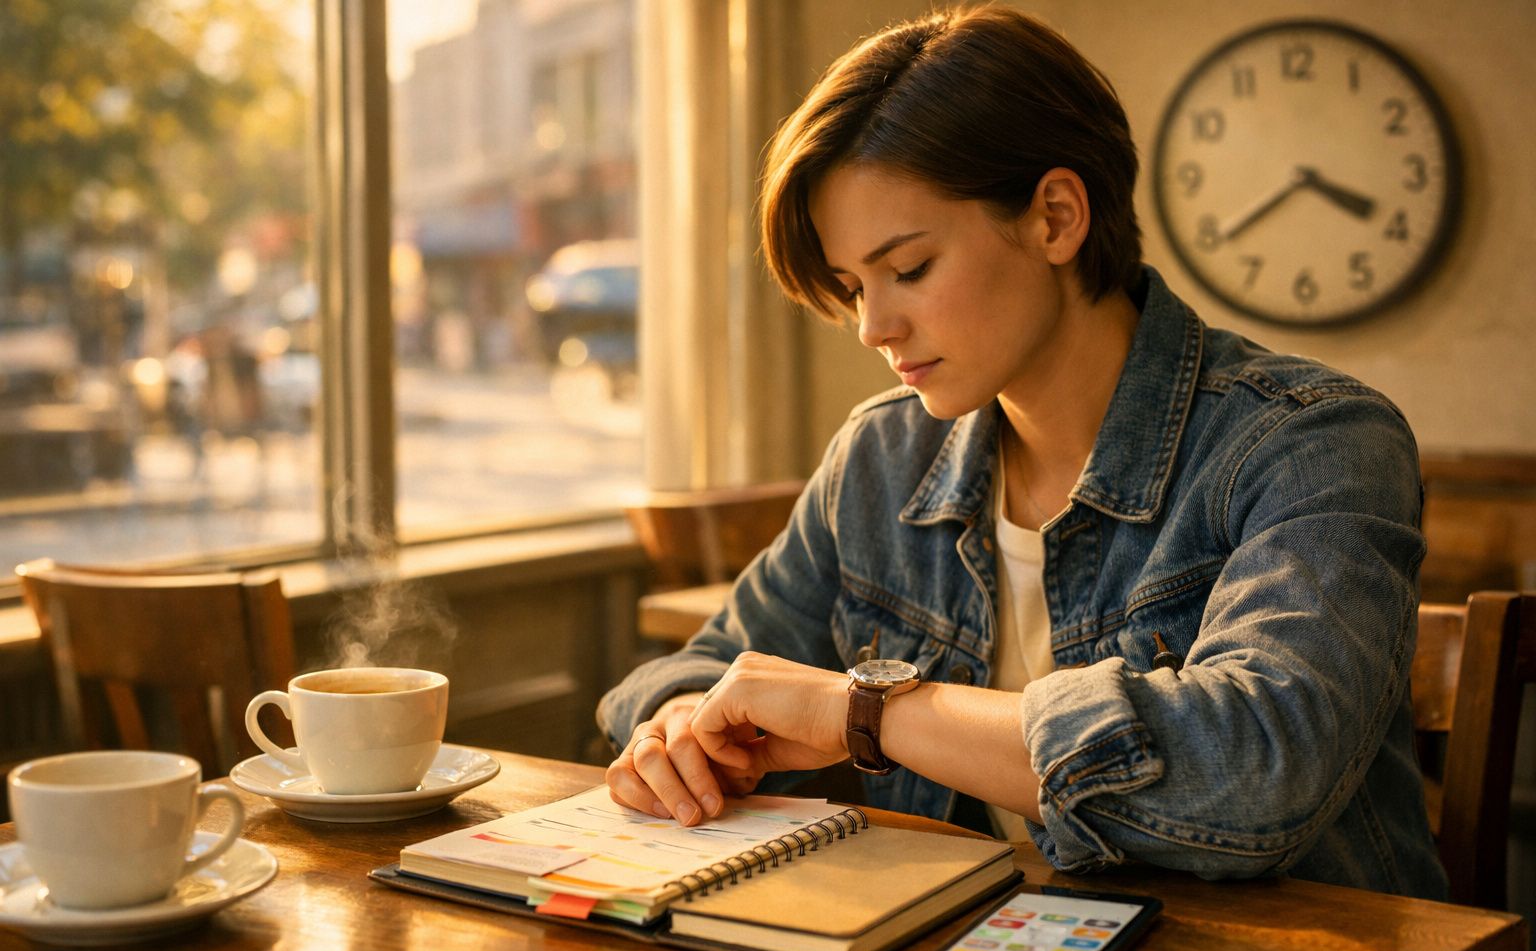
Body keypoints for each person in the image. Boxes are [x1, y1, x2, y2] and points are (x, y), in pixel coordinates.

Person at [598, 6, 1446, 898]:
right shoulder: (883, 459)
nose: (872, 327)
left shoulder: (1312, 441)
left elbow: (1258, 772)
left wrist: (867, 713)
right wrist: (680, 728)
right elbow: (703, 664)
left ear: (1055, 216)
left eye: (910, 269)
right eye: (854, 286)